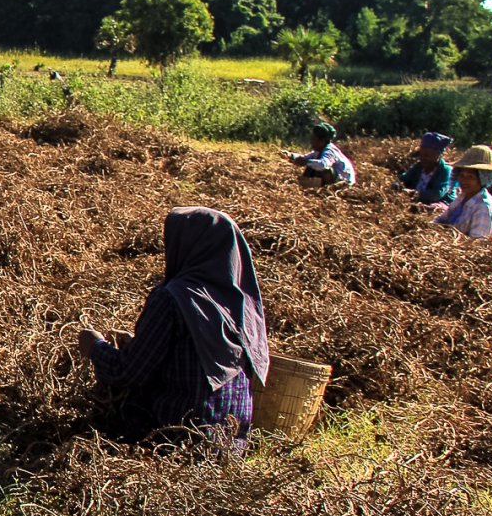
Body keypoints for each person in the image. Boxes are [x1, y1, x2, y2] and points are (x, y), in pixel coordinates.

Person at [78, 207, 270, 446]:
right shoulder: (243, 303)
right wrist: (137, 343)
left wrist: (94, 346)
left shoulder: (172, 298)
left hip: (176, 442)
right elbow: (200, 357)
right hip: (229, 447)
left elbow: (127, 372)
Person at [432, 145, 492, 242]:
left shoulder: (483, 207)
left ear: (483, 179)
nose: (464, 180)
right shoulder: (462, 197)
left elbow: (476, 245)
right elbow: (442, 219)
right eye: (462, 175)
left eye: (470, 177)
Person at [285, 120, 356, 187]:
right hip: (337, 180)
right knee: (312, 164)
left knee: (326, 170)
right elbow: (305, 157)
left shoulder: (330, 151)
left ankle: (323, 188)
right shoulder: (319, 151)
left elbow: (323, 165)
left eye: (314, 139)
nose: (311, 142)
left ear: (322, 141)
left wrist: (306, 162)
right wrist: (290, 155)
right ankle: (309, 185)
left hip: (344, 182)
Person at [393, 131, 457, 205]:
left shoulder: (446, 171)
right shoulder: (419, 166)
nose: (424, 158)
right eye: (422, 154)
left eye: (428, 155)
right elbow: (404, 178)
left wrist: (413, 194)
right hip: (417, 202)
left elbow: (437, 194)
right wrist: (397, 186)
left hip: (440, 204)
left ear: (439, 155)